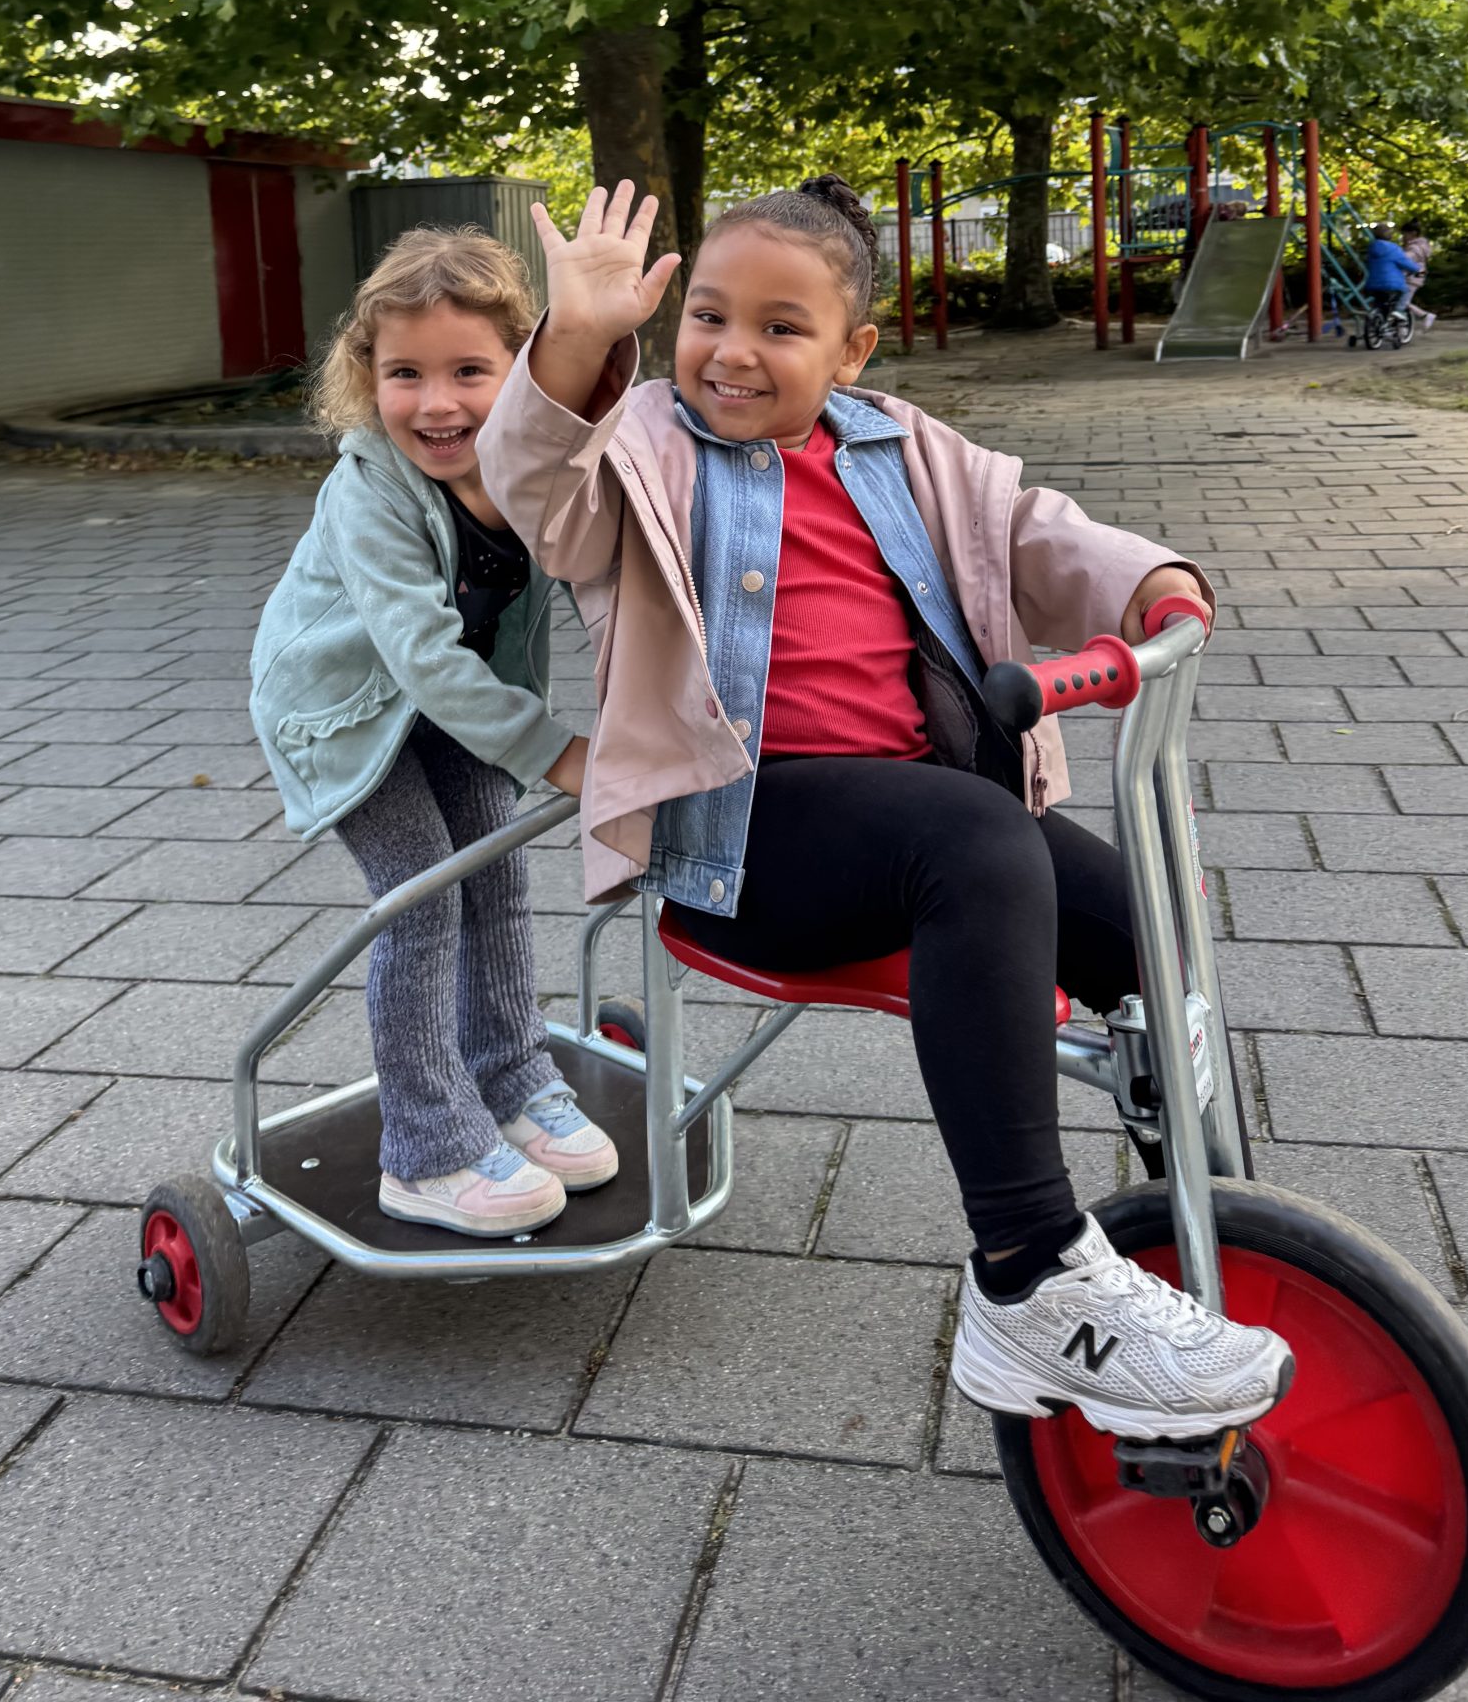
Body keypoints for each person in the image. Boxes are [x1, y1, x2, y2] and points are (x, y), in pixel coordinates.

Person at [479, 177, 1293, 1442]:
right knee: (977, 837)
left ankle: (1198, 1222)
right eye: (709, 316)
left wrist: (1147, 581)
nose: (732, 351)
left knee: (1146, 925)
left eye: (781, 327)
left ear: (851, 351)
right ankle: (1028, 1270)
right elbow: (536, 485)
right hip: (746, 837)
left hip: (909, 824)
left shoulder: (898, 444)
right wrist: (577, 336)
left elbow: (1026, 531)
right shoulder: (640, 448)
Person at [250, 227, 614, 1239]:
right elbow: (422, 656)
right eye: (405, 373)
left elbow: (602, 572)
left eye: (469, 372)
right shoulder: (368, 491)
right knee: (421, 900)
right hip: (346, 715)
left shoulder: (529, 470)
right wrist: (558, 752)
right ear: (367, 377)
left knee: (495, 878)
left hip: (456, 703)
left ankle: (510, 1077)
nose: (436, 403)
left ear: (521, 372)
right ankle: (425, 1147)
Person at [1363, 224, 1422, 324]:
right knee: (1405, 291)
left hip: (1372, 284)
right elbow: (1405, 262)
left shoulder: (1371, 248)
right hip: (1392, 285)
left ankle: (1378, 323)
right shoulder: (1393, 248)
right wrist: (1418, 270)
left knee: (1380, 304)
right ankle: (1399, 311)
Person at [1401, 226, 1437, 331]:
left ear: (1413, 233)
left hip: (1411, 277)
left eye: (1405, 234)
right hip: (1414, 276)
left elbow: (1406, 259)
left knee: (1402, 303)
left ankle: (1424, 315)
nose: (1403, 237)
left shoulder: (1415, 248)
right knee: (1401, 302)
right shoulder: (1418, 245)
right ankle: (1402, 328)